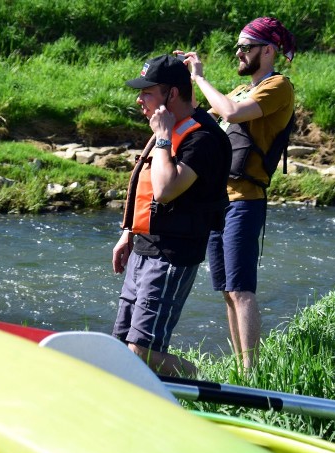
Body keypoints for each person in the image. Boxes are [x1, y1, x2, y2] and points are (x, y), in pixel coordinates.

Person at [181, 17, 296, 370]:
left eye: (245, 47)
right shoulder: (241, 89)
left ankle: (253, 373)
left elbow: (230, 112)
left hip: (246, 199)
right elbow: (203, 116)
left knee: (242, 290)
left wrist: (201, 77)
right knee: (228, 291)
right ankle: (240, 366)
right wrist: (180, 82)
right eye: (238, 47)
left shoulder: (278, 87)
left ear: (267, 50)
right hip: (219, 199)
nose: (238, 53)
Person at [111, 55, 231, 377]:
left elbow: (165, 190)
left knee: (143, 352)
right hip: (144, 246)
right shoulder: (166, 127)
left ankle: (205, 383)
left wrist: (163, 136)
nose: (140, 100)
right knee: (120, 346)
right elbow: (143, 181)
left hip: (173, 254)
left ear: (172, 95)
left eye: (147, 92)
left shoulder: (202, 139)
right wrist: (128, 232)